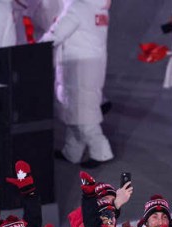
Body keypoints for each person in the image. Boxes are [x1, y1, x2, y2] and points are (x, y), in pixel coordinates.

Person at [42, 0, 115, 167]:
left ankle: (101, 152)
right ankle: (72, 151)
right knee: (76, 110)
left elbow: (57, 33)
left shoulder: (78, 7)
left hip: (77, 67)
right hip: (92, 64)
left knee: (82, 113)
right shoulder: (98, 7)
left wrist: (35, 49)